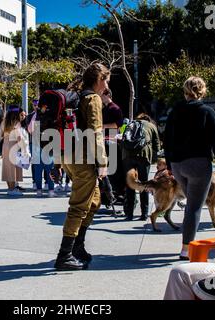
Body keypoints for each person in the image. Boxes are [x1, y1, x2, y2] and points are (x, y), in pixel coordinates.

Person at [164, 76, 215, 260]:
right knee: (194, 207)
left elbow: (167, 139)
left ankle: (187, 247)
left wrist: (170, 164)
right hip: (199, 165)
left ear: (185, 91)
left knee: (191, 204)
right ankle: (186, 250)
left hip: (178, 165)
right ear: (202, 91)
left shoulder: (175, 111)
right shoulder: (207, 112)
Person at [52, 63, 109, 271]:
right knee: (79, 206)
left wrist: (58, 163)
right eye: (106, 80)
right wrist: (103, 162)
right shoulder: (91, 98)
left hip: (69, 157)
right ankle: (64, 255)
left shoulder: (75, 97)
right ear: (99, 79)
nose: (107, 85)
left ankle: (77, 246)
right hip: (83, 160)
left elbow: (64, 132)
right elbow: (96, 132)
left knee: (94, 201)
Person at [122, 113, 160, 221]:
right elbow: (157, 145)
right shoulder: (151, 126)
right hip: (143, 156)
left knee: (130, 184)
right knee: (144, 184)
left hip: (128, 156)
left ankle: (129, 214)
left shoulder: (131, 124)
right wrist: (154, 158)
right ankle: (144, 214)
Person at [0, 106, 27, 196]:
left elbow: (0, 135)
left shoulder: (4, 122)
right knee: (13, 168)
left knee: (7, 167)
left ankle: (9, 188)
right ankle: (12, 190)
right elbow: (19, 137)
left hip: (5, 145)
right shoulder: (16, 123)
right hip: (14, 146)